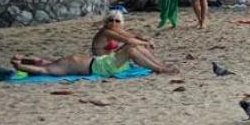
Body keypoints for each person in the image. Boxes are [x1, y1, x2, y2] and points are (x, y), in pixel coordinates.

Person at [12, 42, 178, 78]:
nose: (40, 62)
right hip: (99, 67)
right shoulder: (55, 69)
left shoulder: (52, 61)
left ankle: (160, 65)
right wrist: (20, 66)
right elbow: (41, 69)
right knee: (130, 49)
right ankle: (160, 69)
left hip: (101, 62)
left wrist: (23, 58)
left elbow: (38, 61)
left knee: (134, 48)